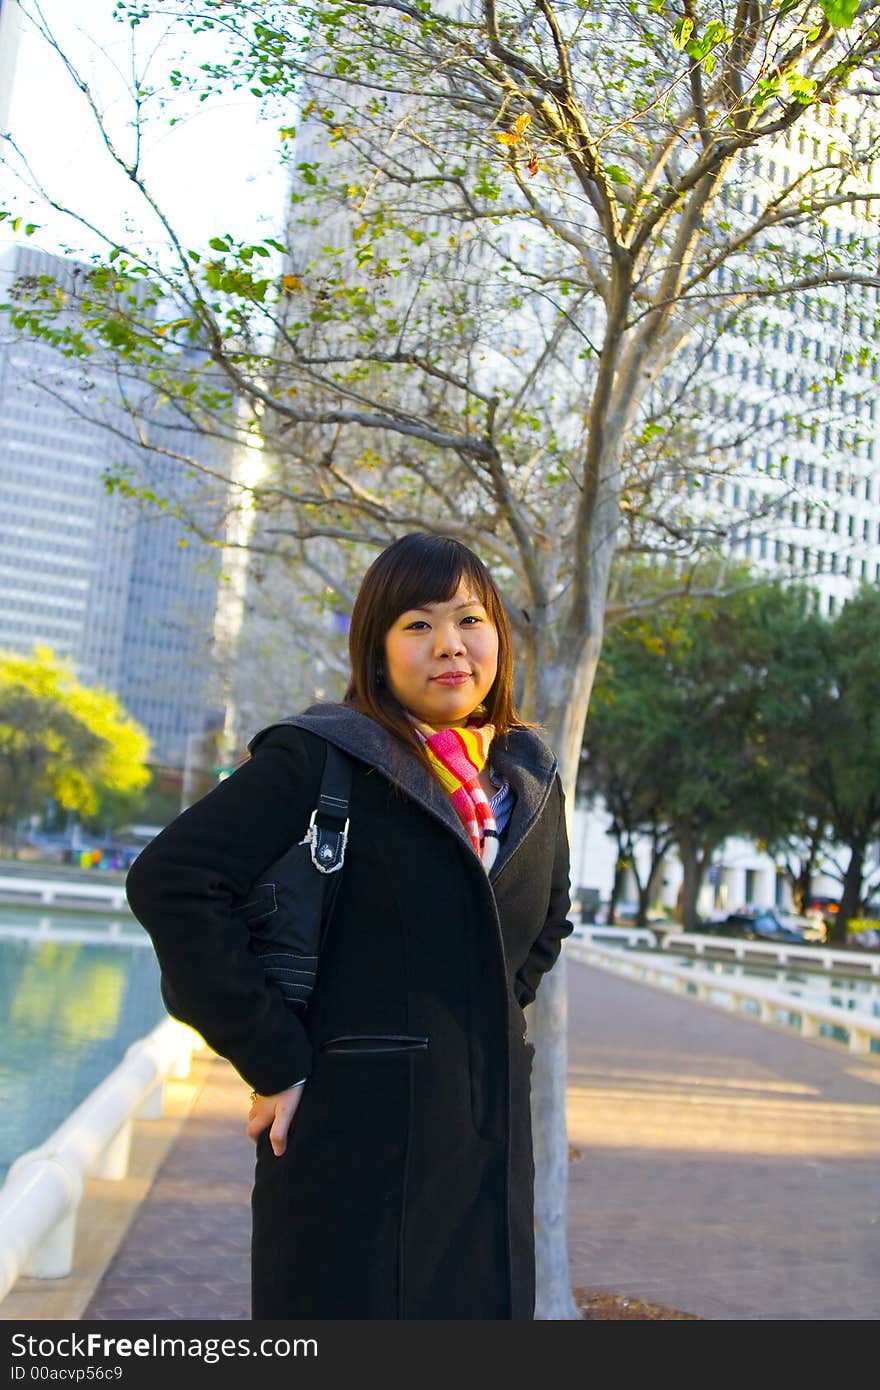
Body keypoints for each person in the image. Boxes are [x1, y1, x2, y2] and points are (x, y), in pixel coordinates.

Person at [125, 532, 574, 1320]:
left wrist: (487, 1018)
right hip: (349, 1141)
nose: (450, 646)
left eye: (470, 620)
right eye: (417, 625)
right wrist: (273, 1055)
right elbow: (174, 882)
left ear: (498, 634)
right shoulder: (321, 756)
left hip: (483, 1144)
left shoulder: (529, 776)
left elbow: (546, 925)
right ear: (377, 648)